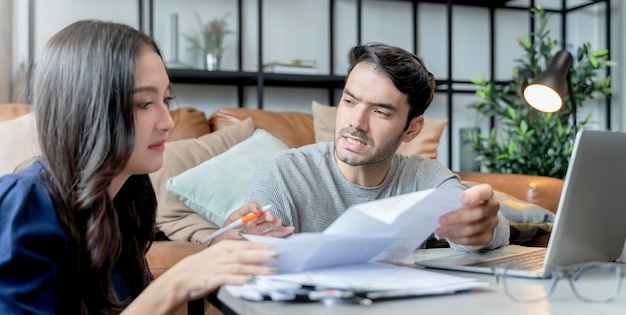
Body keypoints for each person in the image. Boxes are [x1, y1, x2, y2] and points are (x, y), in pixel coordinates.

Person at [0, 20, 279, 314]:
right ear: (87, 107)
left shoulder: (124, 204)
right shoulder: (26, 204)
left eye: (166, 99)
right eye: (145, 103)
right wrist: (179, 280)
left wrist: (216, 254)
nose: (168, 121)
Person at [221, 43, 509, 251]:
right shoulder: (282, 174)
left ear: (412, 128)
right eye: (349, 101)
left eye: (380, 112)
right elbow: (260, 262)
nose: (356, 122)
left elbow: (483, 226)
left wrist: (482, 228)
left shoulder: (423, 177)